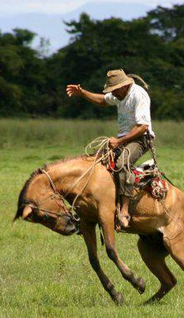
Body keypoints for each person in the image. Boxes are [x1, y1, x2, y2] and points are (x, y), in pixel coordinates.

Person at [66, 69, 155, 228]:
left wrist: (120, 141)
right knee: (96, 164)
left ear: (123, 86)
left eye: (114, 90)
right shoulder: (118, 94)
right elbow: (103, 100)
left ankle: (124, 210)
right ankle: (93, 210)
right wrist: (82, 92)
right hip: (124, 139)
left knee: (122, 163)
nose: (112, 93)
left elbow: (143, 127)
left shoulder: (138, 95)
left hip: (141, 138)